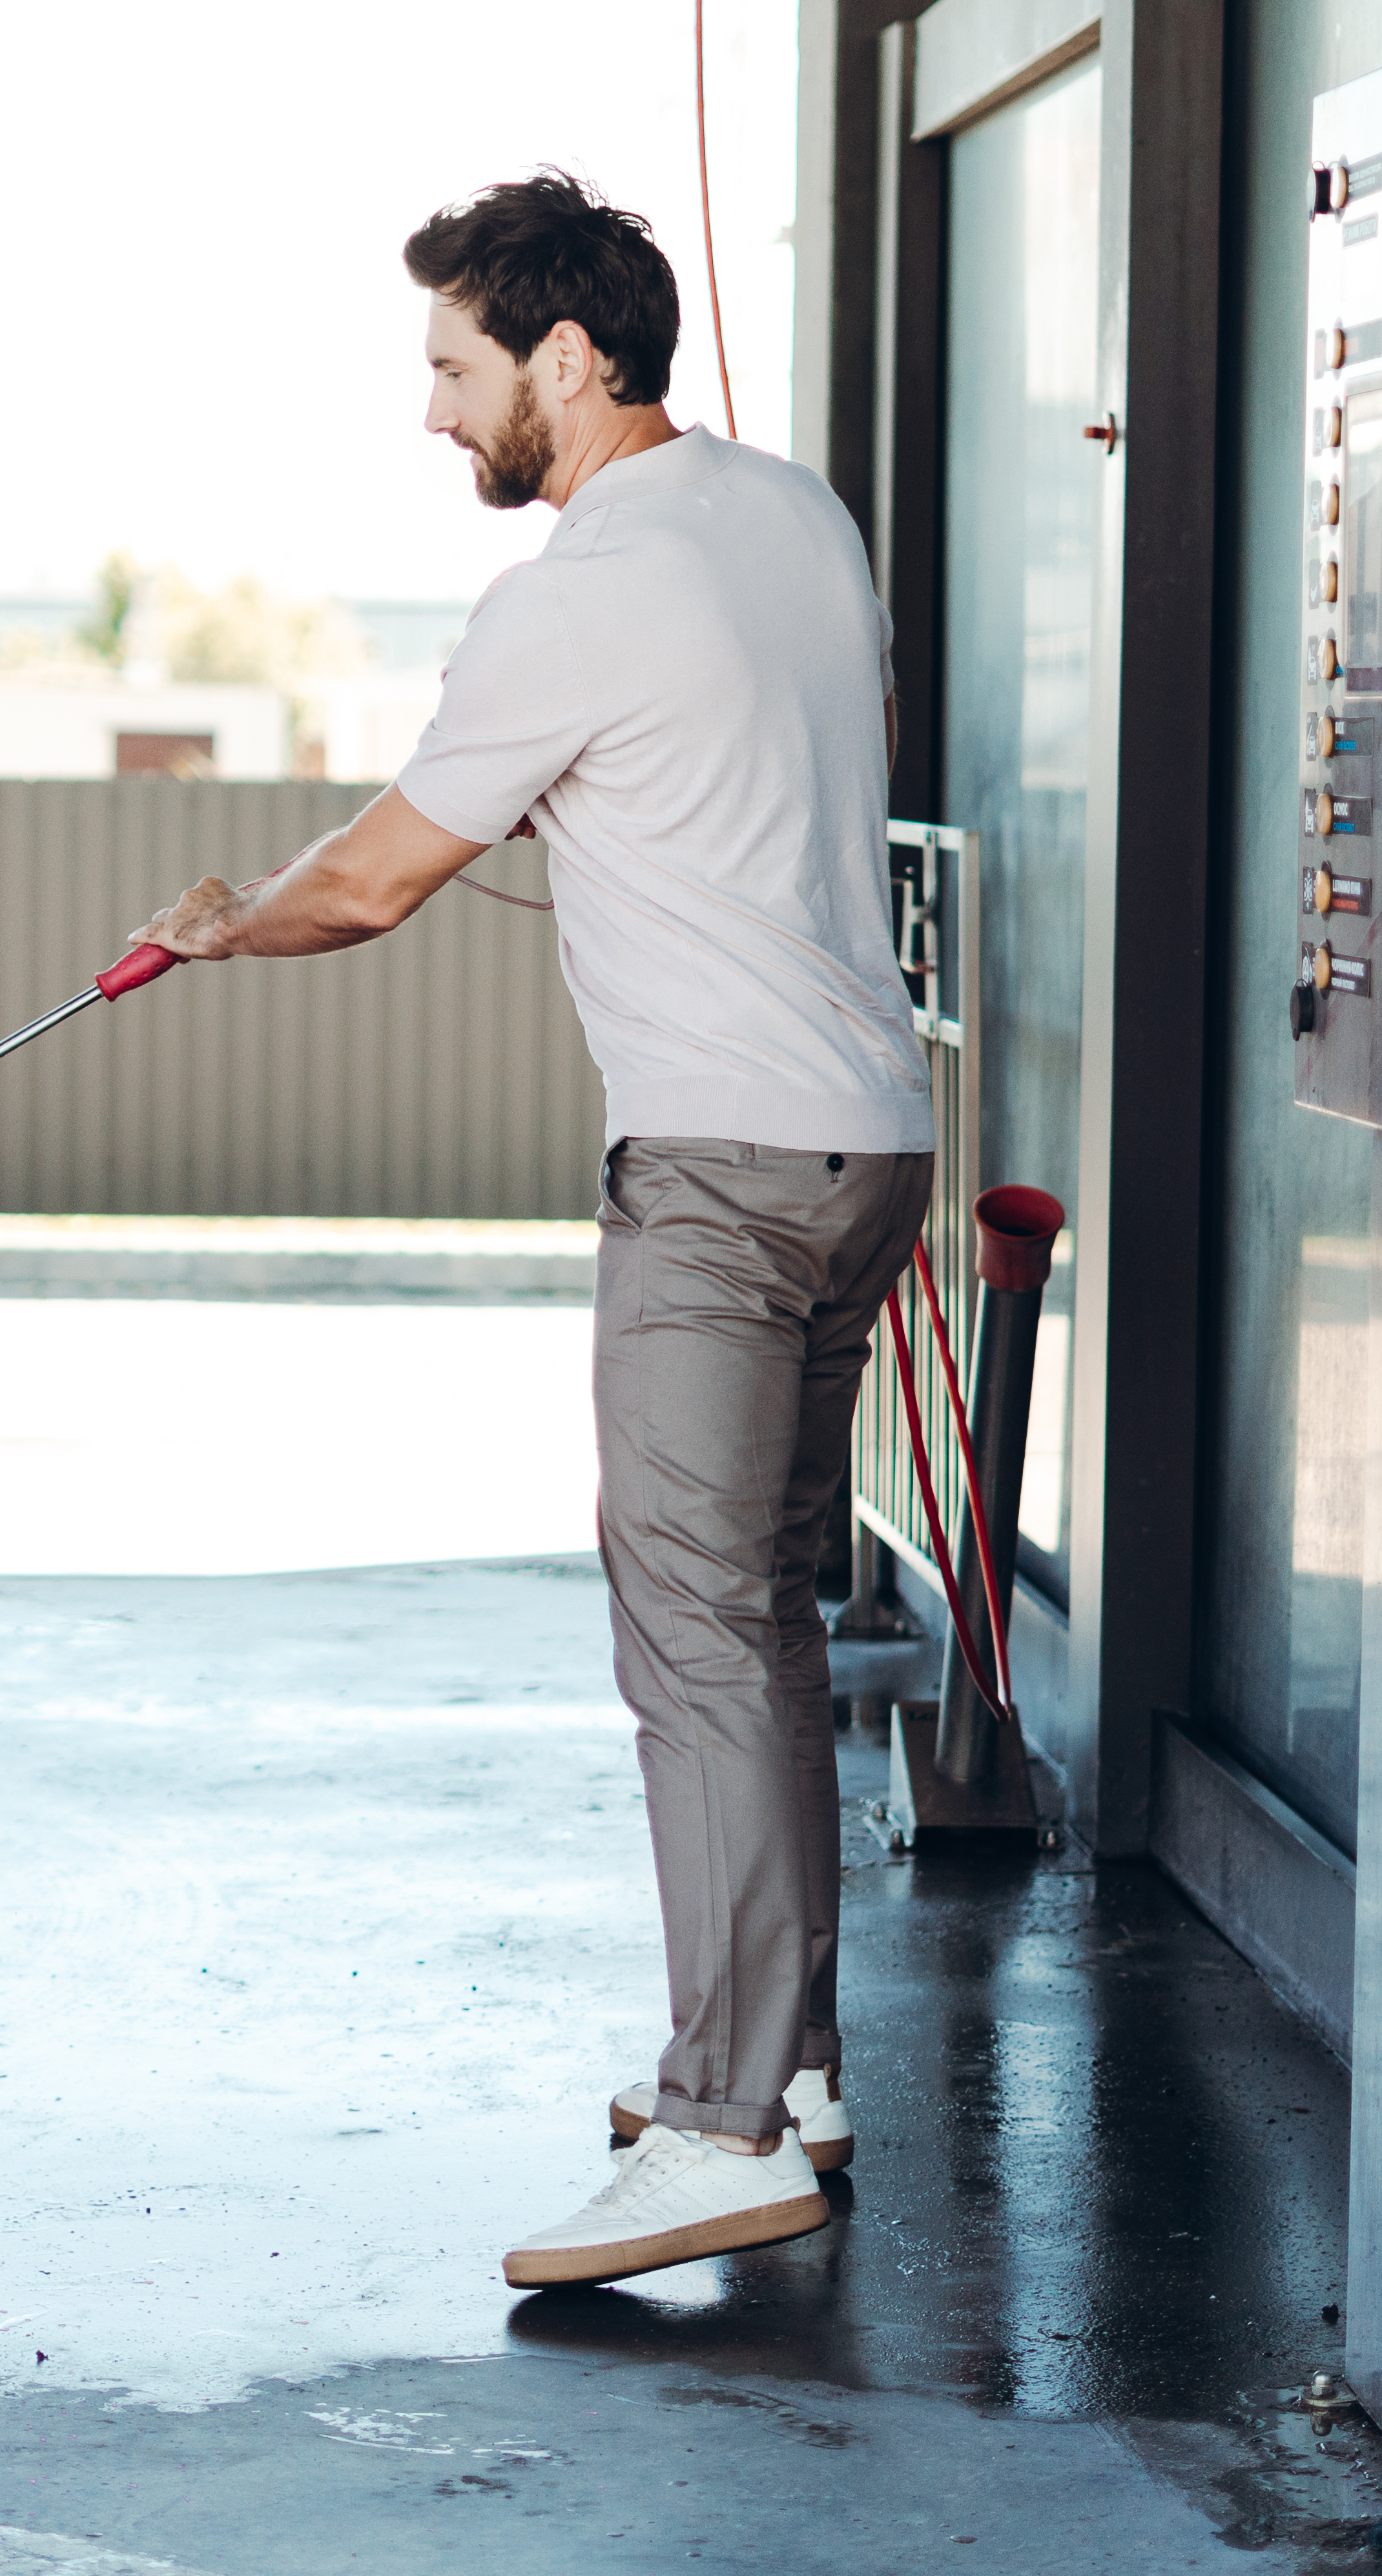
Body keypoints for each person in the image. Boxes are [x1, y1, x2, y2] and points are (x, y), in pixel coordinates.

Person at [132, 172, 931, 2291]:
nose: (433, 415)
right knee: (757, 1607)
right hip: (867, 1153)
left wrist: (225, 927)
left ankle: (727, 2123)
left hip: (723, 1174)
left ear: (567, 361)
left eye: (451, 368)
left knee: (693, 1636)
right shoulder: (799, 519)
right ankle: (798, 2066)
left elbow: (380, 874)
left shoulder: (577, 587)